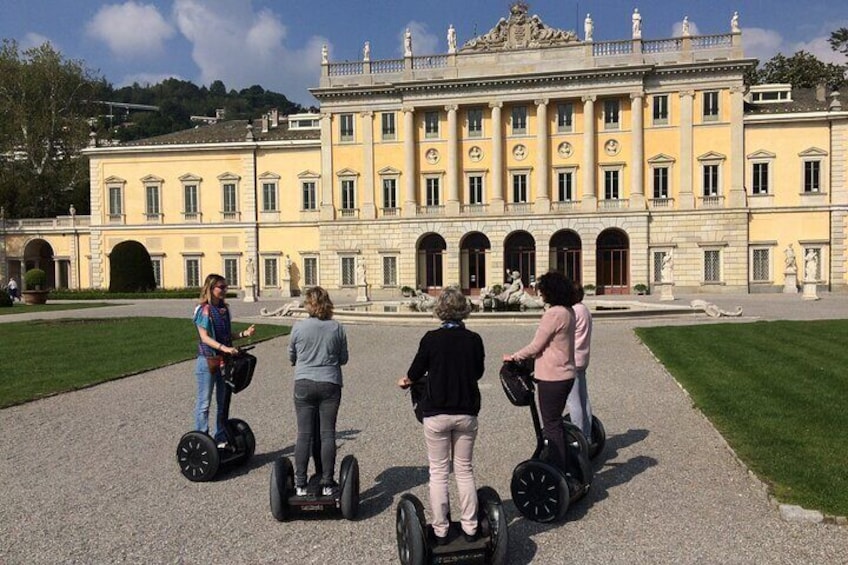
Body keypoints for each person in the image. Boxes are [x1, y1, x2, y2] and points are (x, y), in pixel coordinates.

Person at [398, 287, 485, 545]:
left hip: (436, 412)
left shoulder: (431, 339)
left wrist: (406, 381)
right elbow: (478, 372)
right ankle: (470, 527)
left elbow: (415, 371)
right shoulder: (474, 339)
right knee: (464, 470)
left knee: (438, 471)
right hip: (466, 411)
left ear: (440, 310)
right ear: (464, 310)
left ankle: (441, 529)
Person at [503, 271, 578, 472]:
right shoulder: (569, 311)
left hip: (553, 377)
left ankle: (558, 468)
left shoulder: (553, 314)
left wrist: (514, 356)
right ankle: (565, 463)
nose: (540, 293)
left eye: (543, 290)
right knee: (556, 422)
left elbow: (536, 346)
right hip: (566, 374)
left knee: (551, 424)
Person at [288, 286, 349, 496]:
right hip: (329, 384)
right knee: (327, 434)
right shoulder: (337, 327)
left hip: (304, 383)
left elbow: (292, 357)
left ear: (308, 304)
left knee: (304, 434)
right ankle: (326, 482)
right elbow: (344, 359)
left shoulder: (298, 327)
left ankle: (301, 483)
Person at [193, 274, 256, 447]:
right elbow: (205, 338)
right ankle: (202, 438)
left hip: (224, 361)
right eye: (221, 287)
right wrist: (225, 348)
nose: (224, 290)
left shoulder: (224, 309)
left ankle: (220, 436)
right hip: (207, 360)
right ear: (211, 288)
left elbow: (227, 336)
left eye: (225, 287)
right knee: (204, 402)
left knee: (223, 401)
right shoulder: (203, 310)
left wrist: (244, 334)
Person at [566, 283, 593, 438]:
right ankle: (587, 435)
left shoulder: (574, 311)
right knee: (583, 399)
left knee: (573, 401)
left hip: (573, 360)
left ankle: (580, 437)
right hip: (582, 358)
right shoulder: (584, 309)